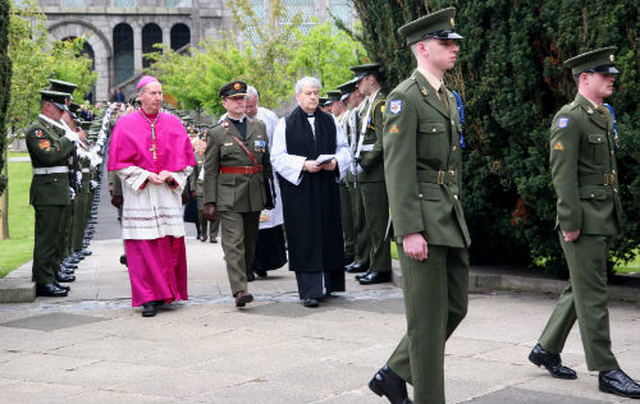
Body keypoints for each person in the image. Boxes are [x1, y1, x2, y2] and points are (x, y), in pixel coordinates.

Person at [369, 8, 470, 404]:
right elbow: (398, 169)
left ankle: (393, 372)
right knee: (427, 325)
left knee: (455, 307)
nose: (454, 49)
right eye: (447, 43)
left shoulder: (444, 95)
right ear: (423, 48)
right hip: (423, 220)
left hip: (448, 214)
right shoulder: (404, 98)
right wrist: (408, 228)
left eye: (454, 42)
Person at [528, 47, 640, 399]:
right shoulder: (569, 118)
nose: (611, 79)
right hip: (583, 221)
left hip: (602, 215)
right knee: (593, 295)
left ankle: (545, 348)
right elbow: (562, 177)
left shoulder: (602, 115)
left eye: (612, 74)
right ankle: (607, 370)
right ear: (584, 78)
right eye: (604, 74)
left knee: (581, 288)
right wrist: (569, 221)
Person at [107, 76, 196, 317]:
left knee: (168, 243)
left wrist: (171, 174)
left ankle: (167, 293)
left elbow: (188, 163)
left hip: (166, 195)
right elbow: (119, 164)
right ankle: (147, 298)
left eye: (160, 93)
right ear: (141, 95)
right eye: (153, 93)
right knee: (143, 247)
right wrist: (144, 175)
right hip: (141, 196)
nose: (158, 98)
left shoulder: (174, 123)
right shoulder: (125, 125)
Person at [271, 76, 351, 308]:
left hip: (326, 185)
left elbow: (344, 148)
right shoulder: (285, 123)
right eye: (308, 93)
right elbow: (277, 156)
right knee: (305, 235)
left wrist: (336, 162)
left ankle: (330, 285)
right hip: (301, 189)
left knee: (328, 232)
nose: (313, 97)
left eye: (316, 93)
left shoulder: (330, 121)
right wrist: (302, 165)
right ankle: (310, 290)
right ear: (298, 96)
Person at [203, 80, 272, 308]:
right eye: (234, 99)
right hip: (228, 196)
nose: (239, 103)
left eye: (242, 99)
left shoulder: (258, 126)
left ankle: (244, 275)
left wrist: (269, 194)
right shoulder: (216, 133)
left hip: (254, 195)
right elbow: (211, 170)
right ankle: (240, 291)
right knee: (234, 244)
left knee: (250, 245)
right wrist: (209, 201)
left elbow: (266, 163)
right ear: (225, 103)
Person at [26, 90, 80, 297]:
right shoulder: (37, 131)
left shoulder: (51, 129)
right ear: (47, 106)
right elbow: (49, 155)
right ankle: (43, 280)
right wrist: (68, 139)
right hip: (47, 190)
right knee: (46, 239)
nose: (60, 114)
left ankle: (51, 275)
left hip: (56, 189)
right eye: (58, 109)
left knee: (56, 237)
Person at [351, 63, 392, 285]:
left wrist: (365, 163)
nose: (358, 86)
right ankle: (374, 264)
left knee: (378, 223)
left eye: (360, 81)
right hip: (368, 173)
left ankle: (381, 267)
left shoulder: (381, 103)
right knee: (370, 222)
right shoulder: (370, 104)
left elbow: (384, 140)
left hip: (375, 172)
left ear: (372, 80)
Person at [244, 85, 287, 278]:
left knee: (268, 221)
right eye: (247, 106)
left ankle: (264, 262)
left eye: (253, 106)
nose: (250, 111)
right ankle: (247, 263)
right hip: (243, 180)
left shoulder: (268, 117)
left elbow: (278, 146)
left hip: (265, 176)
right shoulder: (228, 120)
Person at [338, 79, 371, 275]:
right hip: (351, 174)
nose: (347, 101)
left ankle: (363, 257)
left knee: (362, 219)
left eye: (349, 95)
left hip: (362, 172)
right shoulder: (353, 115)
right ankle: (357, 254)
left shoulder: (362, 112)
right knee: (351, 219)